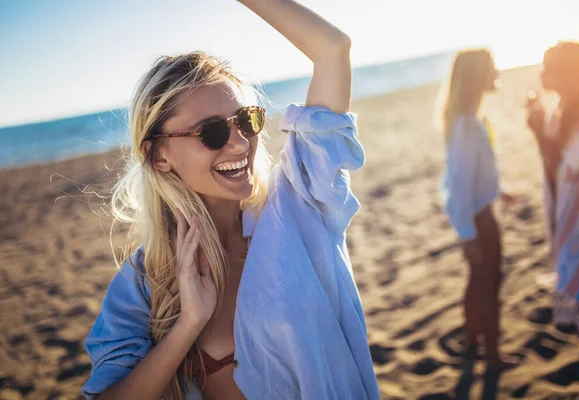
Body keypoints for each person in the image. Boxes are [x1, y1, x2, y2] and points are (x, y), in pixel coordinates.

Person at [81, 0, 380, 399]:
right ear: (159, 155)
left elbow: (332, 48)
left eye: (247, 120)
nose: (240, 142)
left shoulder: (296, 210)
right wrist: (189, 324)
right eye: (212, 133)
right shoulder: (145, 278)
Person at [526, 41, 579, 398]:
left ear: (567, 74)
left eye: (548, 67)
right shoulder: (563, 110)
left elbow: (564, 170)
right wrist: (540, 128)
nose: (541, 74)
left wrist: (539, 133)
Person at [439, 48, 517, 372]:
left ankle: (473, 342)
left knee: (477, 282)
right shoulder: (466, 126)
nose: (497, 71)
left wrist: (499, 191)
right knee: (489, 284)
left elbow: (475, 176)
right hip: (479, 221)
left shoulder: (469, 120)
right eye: (491, 67)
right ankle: (493, 356)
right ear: (476, 77)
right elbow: (458, 185)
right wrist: (467, 234)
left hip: (481, 214)